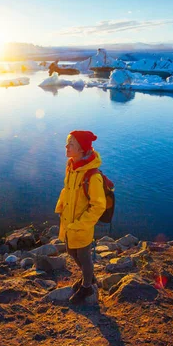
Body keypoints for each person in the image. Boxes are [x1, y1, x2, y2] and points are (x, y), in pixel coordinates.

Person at [55, 130, 106, 304]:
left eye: (71, 145)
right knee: (71, 251)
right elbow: (67, 189)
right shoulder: (71, 166)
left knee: (84, 257)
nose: (66, 147)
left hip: (81, 226)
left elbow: (99, 206)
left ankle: (87, 287)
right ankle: (89, 277)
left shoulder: (93, 176)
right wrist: (61, 206)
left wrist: (81, 224)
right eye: (67, 143)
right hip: (69, 222)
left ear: (82, 150)